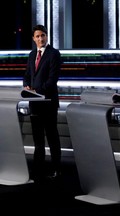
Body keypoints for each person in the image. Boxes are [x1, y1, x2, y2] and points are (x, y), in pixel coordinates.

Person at [23, 25, 62, 182]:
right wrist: (27, 85)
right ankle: (37, 170)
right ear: (33, 38)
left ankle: (56, 170)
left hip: (48, 103)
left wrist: (37, 90)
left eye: (43, 35)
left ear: (47, 36)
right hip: (35, 103)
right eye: (38, 36)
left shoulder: (54, 54)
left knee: (52, 137)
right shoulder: (32, 54)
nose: (41, 38)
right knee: (38, 140)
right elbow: (27, 74)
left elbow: (53, 79)